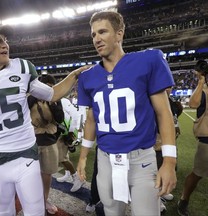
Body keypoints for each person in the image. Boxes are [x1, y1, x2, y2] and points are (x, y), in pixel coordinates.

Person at [0, 19, 89, 216]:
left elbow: (52, 94)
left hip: (25, 157)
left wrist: (73, 75)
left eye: (5, 39)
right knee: (2, 213)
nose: (4, 44)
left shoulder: (22, 68)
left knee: (36, 212)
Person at [76, 10, 177, 216]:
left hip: (142, 159)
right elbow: (91, 119)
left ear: (119, 33)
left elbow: (164, 113)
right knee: (112, 212)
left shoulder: (148, 60)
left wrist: (169, 161)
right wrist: (83, 156)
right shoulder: (88, 77)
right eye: (93, 34)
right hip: (105, 161)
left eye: (102, 32)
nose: (97, 39)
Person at [28, 74, 64, 214]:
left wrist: (53, 104)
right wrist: (35, 97)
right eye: (44, 87)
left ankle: (44, 199)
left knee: (47, 173)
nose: (47, 91)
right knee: (30, 174)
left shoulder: (55, 99)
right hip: (31, 140)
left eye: (50, 87)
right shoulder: (29, 97)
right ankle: (32, 200)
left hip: (49, 140)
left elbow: (60, 119)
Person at [177, 60, 208, 216]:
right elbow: (193, 104)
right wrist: (201, 81)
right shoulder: (204, 90)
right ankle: (183, 200)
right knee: (197, 174)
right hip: (206, 141)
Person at [154, 87, 183, 213]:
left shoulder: (172, 103)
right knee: (155, 171)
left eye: (170, 87)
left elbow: (174, 119)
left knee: (169, 167)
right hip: (156, 142)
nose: (168, 89)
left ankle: (163, 191)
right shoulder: (154, 99)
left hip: (169, 141)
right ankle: (156, 200)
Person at [56, 96, 85, 193]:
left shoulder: (63, 101)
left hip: (66, 132)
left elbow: (75, 115)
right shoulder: (50, 101)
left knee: (62, 158)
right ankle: (67, 173)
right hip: (60, 132)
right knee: (64, 156)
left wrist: (71, 131)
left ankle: (77, 178)